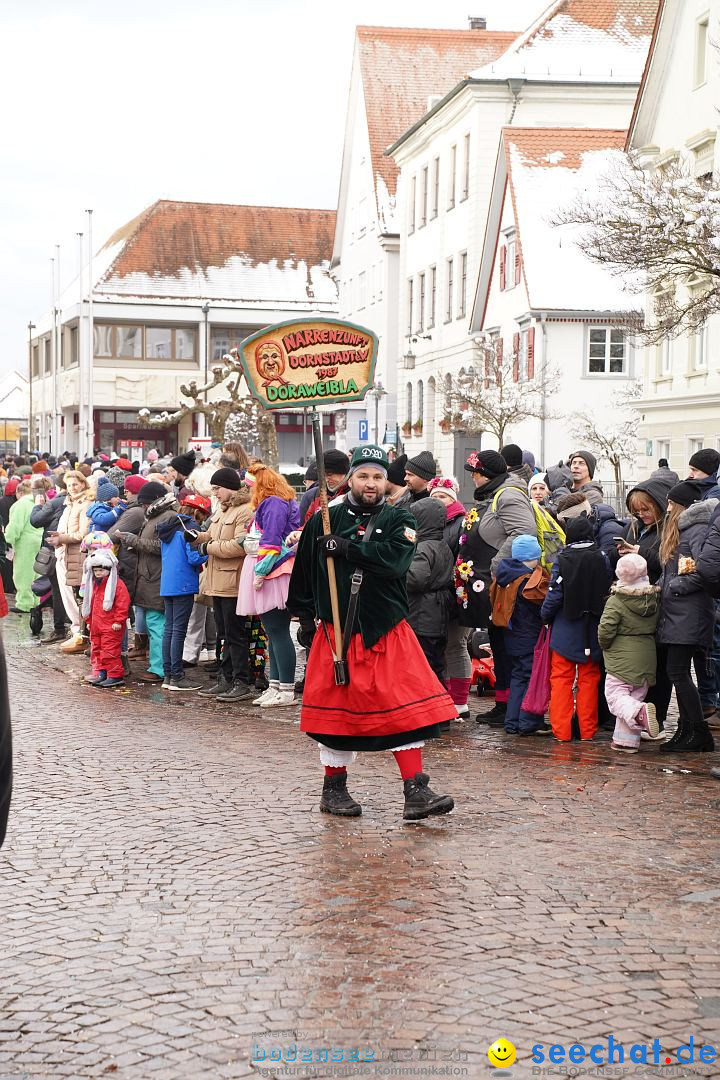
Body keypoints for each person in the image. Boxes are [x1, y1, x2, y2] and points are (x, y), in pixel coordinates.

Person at [287, 444, 455, 821]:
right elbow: (304, 572)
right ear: (351, 479)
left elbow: (395, 562)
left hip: (385, 630)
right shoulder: (324, 520)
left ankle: (416, 789)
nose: (371, 483)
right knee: (338, 713)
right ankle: (334, 790)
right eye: (363, 475)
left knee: (404, 710)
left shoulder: (401, 520)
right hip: (337, 634)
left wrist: (349, 548)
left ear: (386, 482)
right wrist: (303, 614)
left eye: (378, 477)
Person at [455, 450, 537, 727]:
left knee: (507, 646)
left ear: (487, 475)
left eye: (475, 474)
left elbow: (524, 533)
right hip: (493, 585)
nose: (473, 479)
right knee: (498, 644)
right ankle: (502, 702)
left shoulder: (509, 495)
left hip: (505, 585)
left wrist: (495, 564)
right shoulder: (496, 494)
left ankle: (510, 705)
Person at [656, 481, 716, 753]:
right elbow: (674, 569)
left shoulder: (698, 529)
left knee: (678, 672)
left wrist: (674, 587)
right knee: (677, 672)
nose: (667, 508)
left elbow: (703, 571)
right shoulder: (683, 529)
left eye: (671, 503)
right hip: (677, 611)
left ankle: (699, 733)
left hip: (689, 611)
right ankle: (686, 729)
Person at [540, 516, 612, 741]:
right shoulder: (602, 557)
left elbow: (554, 594)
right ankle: (587, 731)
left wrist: (545, 615)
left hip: (566, 627)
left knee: (561, 678)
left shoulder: (563, 559)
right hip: (593, 628)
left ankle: (562, 731)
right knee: (590, 678)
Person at [237, 463, 300, 708]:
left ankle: (285, 688)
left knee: (278, 631)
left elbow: (272, 542)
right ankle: (276, 685)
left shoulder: (272, 503)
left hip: (273, 569)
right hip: (272, 567)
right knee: (274, 632)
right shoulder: (275, 502)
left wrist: (261, 572)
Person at [618, 476, 674, 737]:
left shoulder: (669, 530)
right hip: (638, 606)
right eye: (637, 511)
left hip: (658, 606)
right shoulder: (637, 527)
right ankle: (641, 716)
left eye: (645, 509)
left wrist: (639, 552)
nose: (641, 515)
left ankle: (658, 718)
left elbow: (667, 563)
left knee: (660, 667)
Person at [192, 468, 254, 701]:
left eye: (217, 488)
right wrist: (196, 536)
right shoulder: (223, 509)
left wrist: (207, 547)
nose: (215, 493)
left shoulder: (244, 511)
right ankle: (225, 677)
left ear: (230, 487)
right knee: (224, 633)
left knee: (235, 634)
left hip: (232, 582)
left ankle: (241, 681)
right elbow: (211, 535)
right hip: (217, 580)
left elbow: (239, 546)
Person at [115, 486, 179, 684]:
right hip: (149, 577)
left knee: (157, 625)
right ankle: (158, 665)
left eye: (145, 503)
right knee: (155, 624)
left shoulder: (167, 516)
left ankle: (159, 668)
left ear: (156, 500)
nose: (143, 506)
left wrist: (135, 540)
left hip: (156, 578)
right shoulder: (155, 515)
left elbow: (162, 547)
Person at [598, 554, 661, 753]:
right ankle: (625, 742)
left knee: (616, 696)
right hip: (647, 654)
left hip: (622, 657)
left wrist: (605, 645)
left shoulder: (616, 601)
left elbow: (605, 630)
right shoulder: (653, 598)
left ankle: (639, 712)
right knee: (634, 696)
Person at [489, 534, 549, 735]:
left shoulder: (504, 574)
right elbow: (540, 607)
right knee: (531, 678)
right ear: (532, 557)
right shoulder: (527, 581)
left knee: (518, 677)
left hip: (511, 635)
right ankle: (527, 721)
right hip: (528, 636)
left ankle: (512, 721)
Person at [429, 476, 472, 716]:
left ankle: (460, 702)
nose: (439, 501)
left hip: (454, 592)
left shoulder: (462, 523)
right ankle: (444, 698)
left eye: (443, 496)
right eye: (434, 496)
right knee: (440, 647)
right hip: (434, 595)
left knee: (456, 645)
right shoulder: (425, 521)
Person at [155, 503, 208, 691]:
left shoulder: (167, 529)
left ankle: (168, 675)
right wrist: (209, 552)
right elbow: (193, 558)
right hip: (183, 584)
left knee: (169, 629)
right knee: (178, 631)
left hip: (168, 584)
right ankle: (177, 676)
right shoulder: (190, 529)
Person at [406, 499, 454, 688]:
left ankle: (433, 711)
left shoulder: (423, 548)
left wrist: (397, 573)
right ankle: (441, 710)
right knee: (436, 664)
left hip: (422, 613)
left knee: (424, 665)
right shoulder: (442, 544)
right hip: (437, 610)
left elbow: (416, 579)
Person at [47, 470, 93, 653]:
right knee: (68, 597)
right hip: (64, 554)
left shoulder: (85, 504)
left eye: (75, 484)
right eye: (69, 485)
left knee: (77, 597)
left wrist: (62, 538)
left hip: (76, 555)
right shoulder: (68, 504)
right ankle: (76, 632)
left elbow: (83, 533)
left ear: (83, 484)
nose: (72, 488)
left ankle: (81, 634)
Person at [81, 550, 131, 689]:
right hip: (97, 625)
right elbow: (91, 605)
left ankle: (115, 675)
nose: (98, 573)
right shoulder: (94, 585)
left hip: (110, 626)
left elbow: (122, 603)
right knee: (97, 649)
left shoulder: (117, 585)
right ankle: (103, 673)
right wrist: (90, 622)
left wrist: (118, 621)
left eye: (101, 570)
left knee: (110, 651)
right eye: (96, 570)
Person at [29, 475, 68, 643]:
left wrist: (38, 506)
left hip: (55, 551)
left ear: (58, 488)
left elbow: (35, 521)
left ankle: (60, 628)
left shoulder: (54, 503)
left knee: (58, 590)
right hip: (69, 549)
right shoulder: (72, 502)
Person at [5, 479, 42, 613]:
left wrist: (7, 539)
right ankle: (36, 601)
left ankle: (25, 604)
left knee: (23, 574)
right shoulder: (38, 502)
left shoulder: (20, 505)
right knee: (36, 573)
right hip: (38, 540)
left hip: (25, 542)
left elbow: (15, 526)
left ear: (18, 492)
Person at [301, 450, 350, 524]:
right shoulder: (317, 494)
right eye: (323, 475)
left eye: (330, 474)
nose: (326, 479)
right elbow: (307, 524)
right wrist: (300, 532)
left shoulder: (354, 495)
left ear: (344, 473)